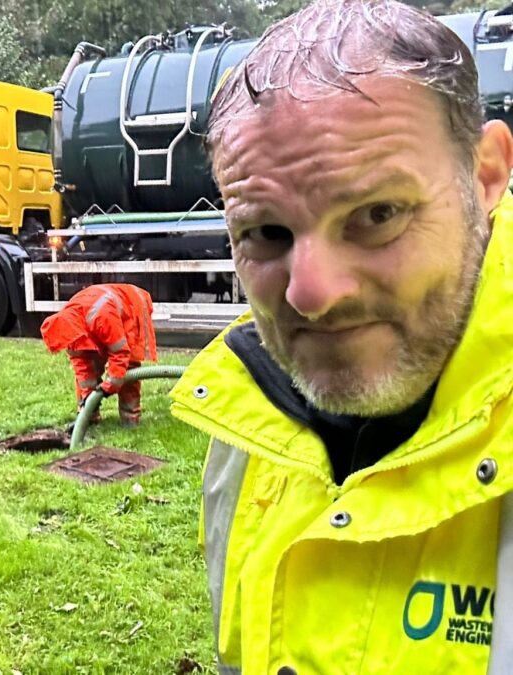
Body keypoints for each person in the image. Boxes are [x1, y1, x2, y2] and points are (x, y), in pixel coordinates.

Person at [167, 0, 513, 671]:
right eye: (266, 233)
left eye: (377, 214)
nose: (311, 294)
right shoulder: (246, 418)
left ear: (487, 175)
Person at [40, 283, 157, 427]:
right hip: (103, 311)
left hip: (131, 306)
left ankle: (130, 420)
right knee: (90, 365)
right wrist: (87, 398)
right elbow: (83, 369)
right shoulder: (69, 329)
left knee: (129, 368)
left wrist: (110, 385)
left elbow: (120, 353)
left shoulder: (100, 316)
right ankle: (88, 418)